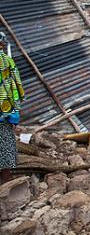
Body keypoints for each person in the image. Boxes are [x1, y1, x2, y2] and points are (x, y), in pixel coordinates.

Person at [0, 32, 25, 185]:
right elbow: (17, 88)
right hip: (7, 111)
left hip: (5, 112)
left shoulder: (8, 62)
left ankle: (4, 185)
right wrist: (15, 112)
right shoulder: (9, 62)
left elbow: (15, 88)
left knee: (6, 146)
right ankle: (4, 183)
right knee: (6, 147)